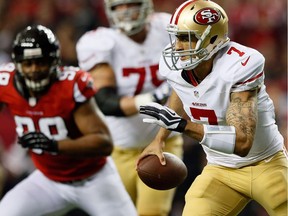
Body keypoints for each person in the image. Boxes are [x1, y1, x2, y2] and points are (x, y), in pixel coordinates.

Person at [137, 0, 288, 216]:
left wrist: (182, 125)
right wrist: (159, 139)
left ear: (212, 39)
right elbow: (181, 90)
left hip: (266, 164)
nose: (178, 46)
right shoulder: (178, 67)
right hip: (220, 170)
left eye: (186, 38)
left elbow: (242, 142)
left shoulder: (240, 65)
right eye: (177, 37)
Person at [0, 24, 137, 216]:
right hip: (47, 181)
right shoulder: (5, 83)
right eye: (28, 64)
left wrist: (55, 145)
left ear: (54, 61)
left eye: (41, 62)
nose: (34, 69)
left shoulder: (70, 85)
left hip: (94, 179)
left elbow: (104, 142)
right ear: (17, 64)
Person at [76, 0, 184, 215]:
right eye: (118, 7)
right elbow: (106, 103)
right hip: (118, 148)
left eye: (131, 4)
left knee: (152, 212)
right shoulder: (101, 41)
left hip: (163, 142)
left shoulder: (168, 28)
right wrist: (155, 97)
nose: (125, 12)